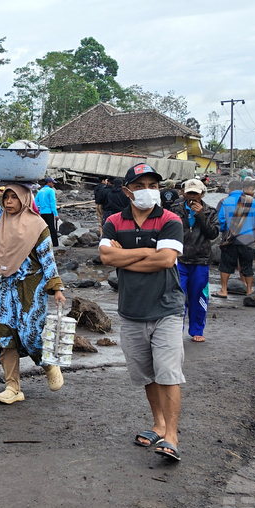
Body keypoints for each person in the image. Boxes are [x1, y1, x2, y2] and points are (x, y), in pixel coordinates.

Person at [99, 163, 186, 462]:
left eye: (152, 185)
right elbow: (105, 256)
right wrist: (147, 251)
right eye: (139, 186)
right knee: (147, 374)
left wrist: (123, 258)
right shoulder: (113, 221)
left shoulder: (170, 220)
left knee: (168, 372)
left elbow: (165, 260)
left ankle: (172, 437)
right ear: (127, 191)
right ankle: (158, 425)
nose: (147, 191)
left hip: (166, 309)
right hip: (132, 311)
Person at [0, 148, 66, 404]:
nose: (8, 201)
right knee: (4, 335)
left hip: (32, 286)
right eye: (6, 197)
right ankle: (13, 387)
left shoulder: (38, 225)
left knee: (31, 334)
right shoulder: (0, 220)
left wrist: (56, 288)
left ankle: (48, 363)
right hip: (7, 286)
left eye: (14, 197)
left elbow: (48, 259)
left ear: (25, 198)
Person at [169, 179, 219, 342]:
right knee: (178, 297)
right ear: (183, 193)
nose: (192, 197)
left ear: (202, 194)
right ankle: (177, 329)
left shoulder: (210, 211)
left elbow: (213, 233)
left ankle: (197, 330)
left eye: (195, 194)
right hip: (179, 259)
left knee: (199, 297)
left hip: (201, 260)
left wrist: (201, 215)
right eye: (189, 193)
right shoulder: (175, 209)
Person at [214, 180, 255, 297]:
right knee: (247, 266)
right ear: (242, 189)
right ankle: (249, 290)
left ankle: (224, 290)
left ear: (229, 189)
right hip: (248, 239)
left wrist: (225, 231)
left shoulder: (225, 201)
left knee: (226, 265)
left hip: (230, 239)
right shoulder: (252, 201)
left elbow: (220, 220)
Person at [35, 176, 60, 247]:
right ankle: (55, 244)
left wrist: (36, 212)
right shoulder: (51, 191)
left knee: (43, 229)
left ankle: (42, 243)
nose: (53, 185)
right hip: (49, 212)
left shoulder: (40, 191)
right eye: (52, 183)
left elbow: (36, 202)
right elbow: (52, 202)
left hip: (42, 213)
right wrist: (56, 214)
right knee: (52, 228)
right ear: (49, 183)